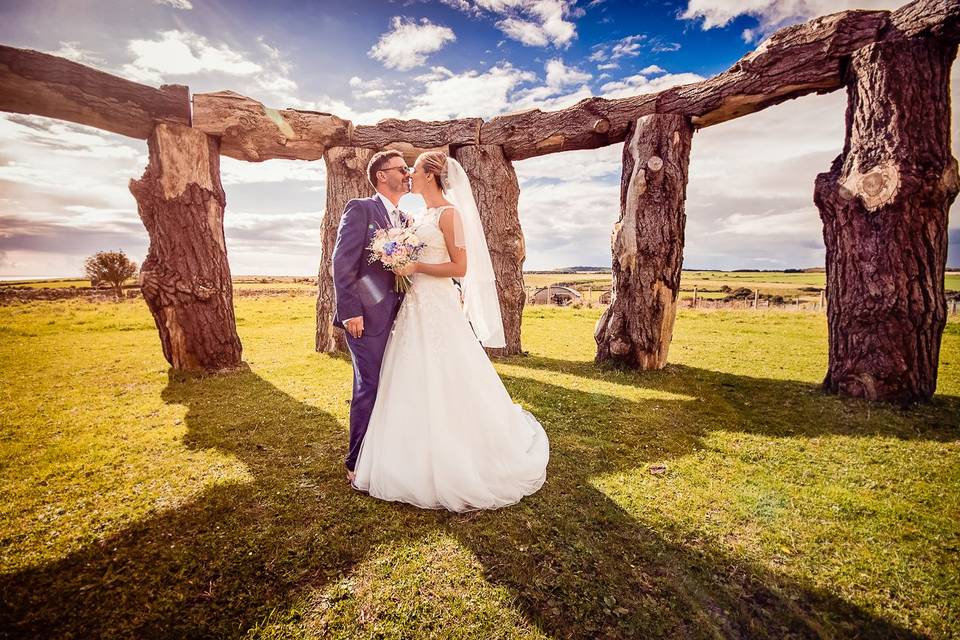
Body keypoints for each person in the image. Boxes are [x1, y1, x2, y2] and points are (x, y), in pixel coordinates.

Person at [350, 151, 549, 512]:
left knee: (449, 374)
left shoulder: (450, 214)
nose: (408, 174)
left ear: (430, 176)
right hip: (413, 308)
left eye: (414, 170)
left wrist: (416, 266)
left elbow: (461, 266)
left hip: (437, 304)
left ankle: (459, 452)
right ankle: (406, 452)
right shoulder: (418, 216)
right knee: (409, 376)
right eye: (404, 170)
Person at [331, 149, 412, 483]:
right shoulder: (361, 209)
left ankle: (388, 452)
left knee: (395, 383)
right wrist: (350, 311)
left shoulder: (406, 220)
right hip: (365, 318)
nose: (408, 173)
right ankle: (356, 462)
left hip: (402, 316)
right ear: (382, 175)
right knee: (370, 385)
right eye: (402, 169)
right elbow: (342, 262)